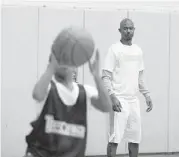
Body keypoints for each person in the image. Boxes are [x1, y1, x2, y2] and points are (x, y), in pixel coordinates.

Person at [24, 41, 112, 157]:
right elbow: (37, 94)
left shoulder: (85, 91)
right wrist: (50, 68)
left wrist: (96, 76)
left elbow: (107, 106)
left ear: (75, 67)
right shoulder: (48, 87)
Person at [102, 18, 153, 157]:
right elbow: (105, 77)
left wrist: (146, 95)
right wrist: (112, 97)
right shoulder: (114, 49)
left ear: (134, 30)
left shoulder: (138, 51)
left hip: (133, 102)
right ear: (120, 30)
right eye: (125, 28)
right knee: (114, 139)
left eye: (130, 28)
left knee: (135, 139)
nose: (128, 31)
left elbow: (140, 77)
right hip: (119, 100)